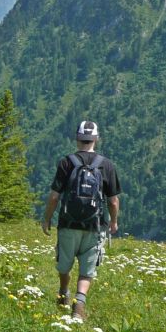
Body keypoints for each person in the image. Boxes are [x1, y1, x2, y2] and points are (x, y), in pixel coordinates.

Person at [40, 121, 121, 320]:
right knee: (87, 269)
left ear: (77, 138)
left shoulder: (67, 162)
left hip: (68, 223)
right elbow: (113, 200)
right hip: (94, 225)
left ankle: (63, 293)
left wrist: (47, 219)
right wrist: (113, 222)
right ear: (96, 138)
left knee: (64, 264)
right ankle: (79, 305)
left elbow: (54, 197)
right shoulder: (106, 164)